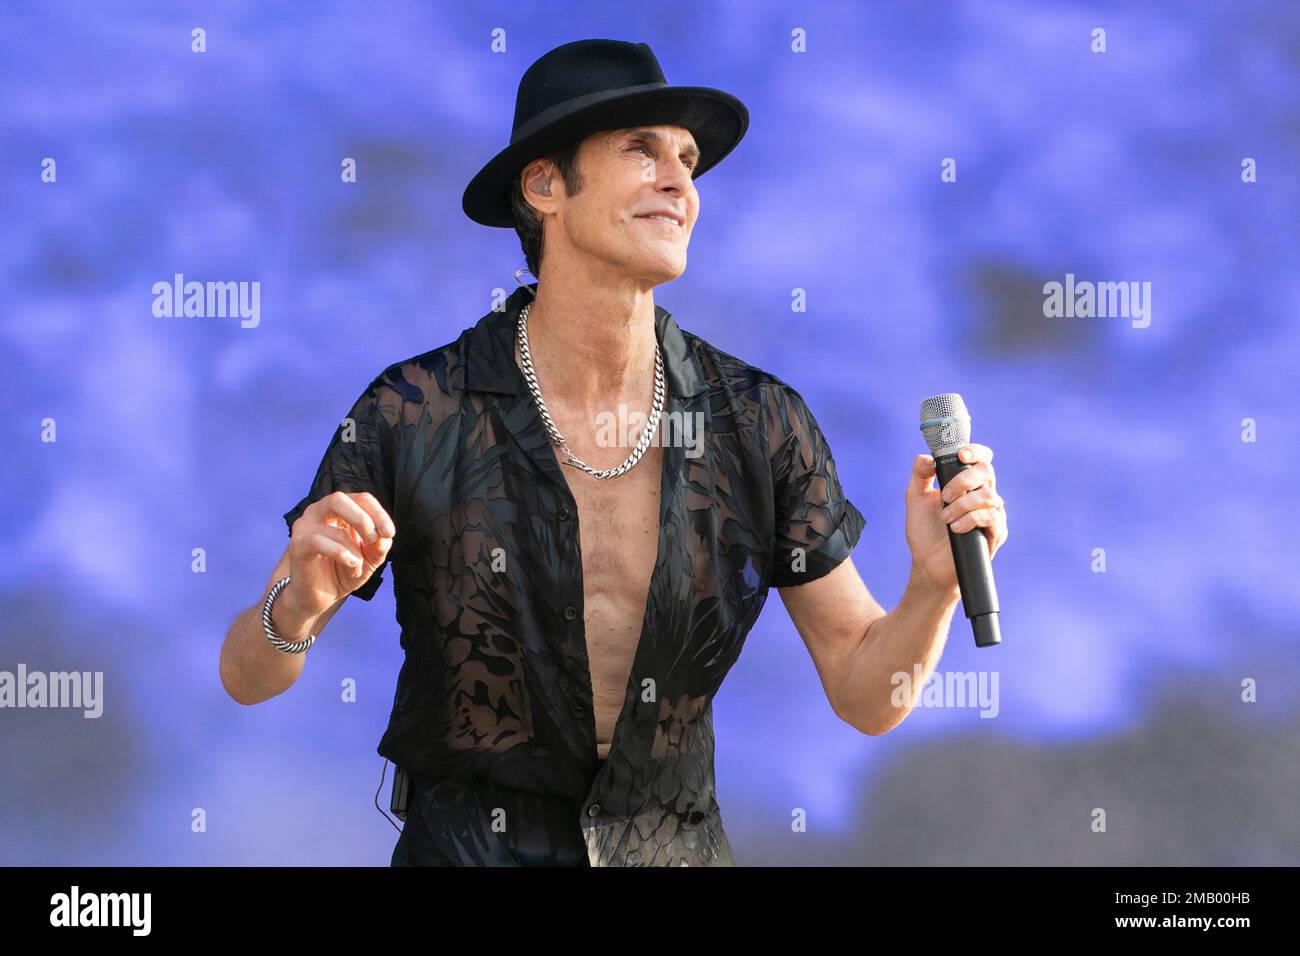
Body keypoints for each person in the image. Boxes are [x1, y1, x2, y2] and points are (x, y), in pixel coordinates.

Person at [218, 38, 1009, 866]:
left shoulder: (757, 420)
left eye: (688, 161)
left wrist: (931, 590)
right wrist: (293, 611)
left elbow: (865, 692)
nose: (680, 184)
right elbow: (245, 675)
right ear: (544, 186)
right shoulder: (416, 410)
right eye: (641, 150)